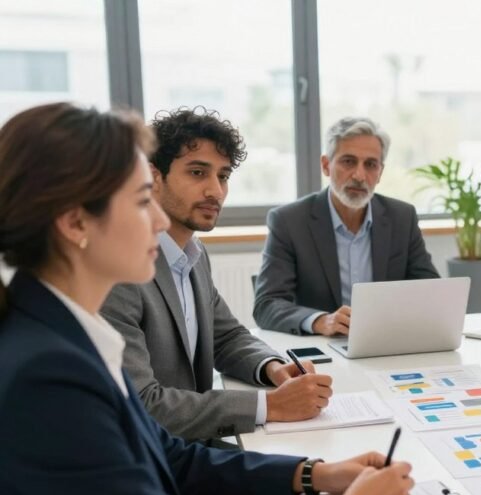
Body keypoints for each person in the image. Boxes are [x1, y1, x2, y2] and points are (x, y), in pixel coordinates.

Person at [0, 102, 414, 495]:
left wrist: (317, 474)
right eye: (140, 201)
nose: (157, 220)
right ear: (75, 224)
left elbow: (172, 457)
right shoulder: (46, 375)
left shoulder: (64, 334)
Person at [101, 107, 327, 444]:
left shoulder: (195, 253)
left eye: (222, 176)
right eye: (197, 172)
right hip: (160, 462)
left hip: (195, 448)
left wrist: (272, 367)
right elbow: (143, 404)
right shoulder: (121, 269)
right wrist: (269, 405)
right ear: (153, 177)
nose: (216, 192)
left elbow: (227, 336)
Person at [253, 116, 440, 336]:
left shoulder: (402, 217)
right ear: (326, 165)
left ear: (380, 172)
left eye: (370, 165)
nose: (360, 175)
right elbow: (267, 305)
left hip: (386, 342)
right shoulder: (289, 221)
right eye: (348, 161)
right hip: (324, 348)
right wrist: (320, 321)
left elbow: (431, 292)